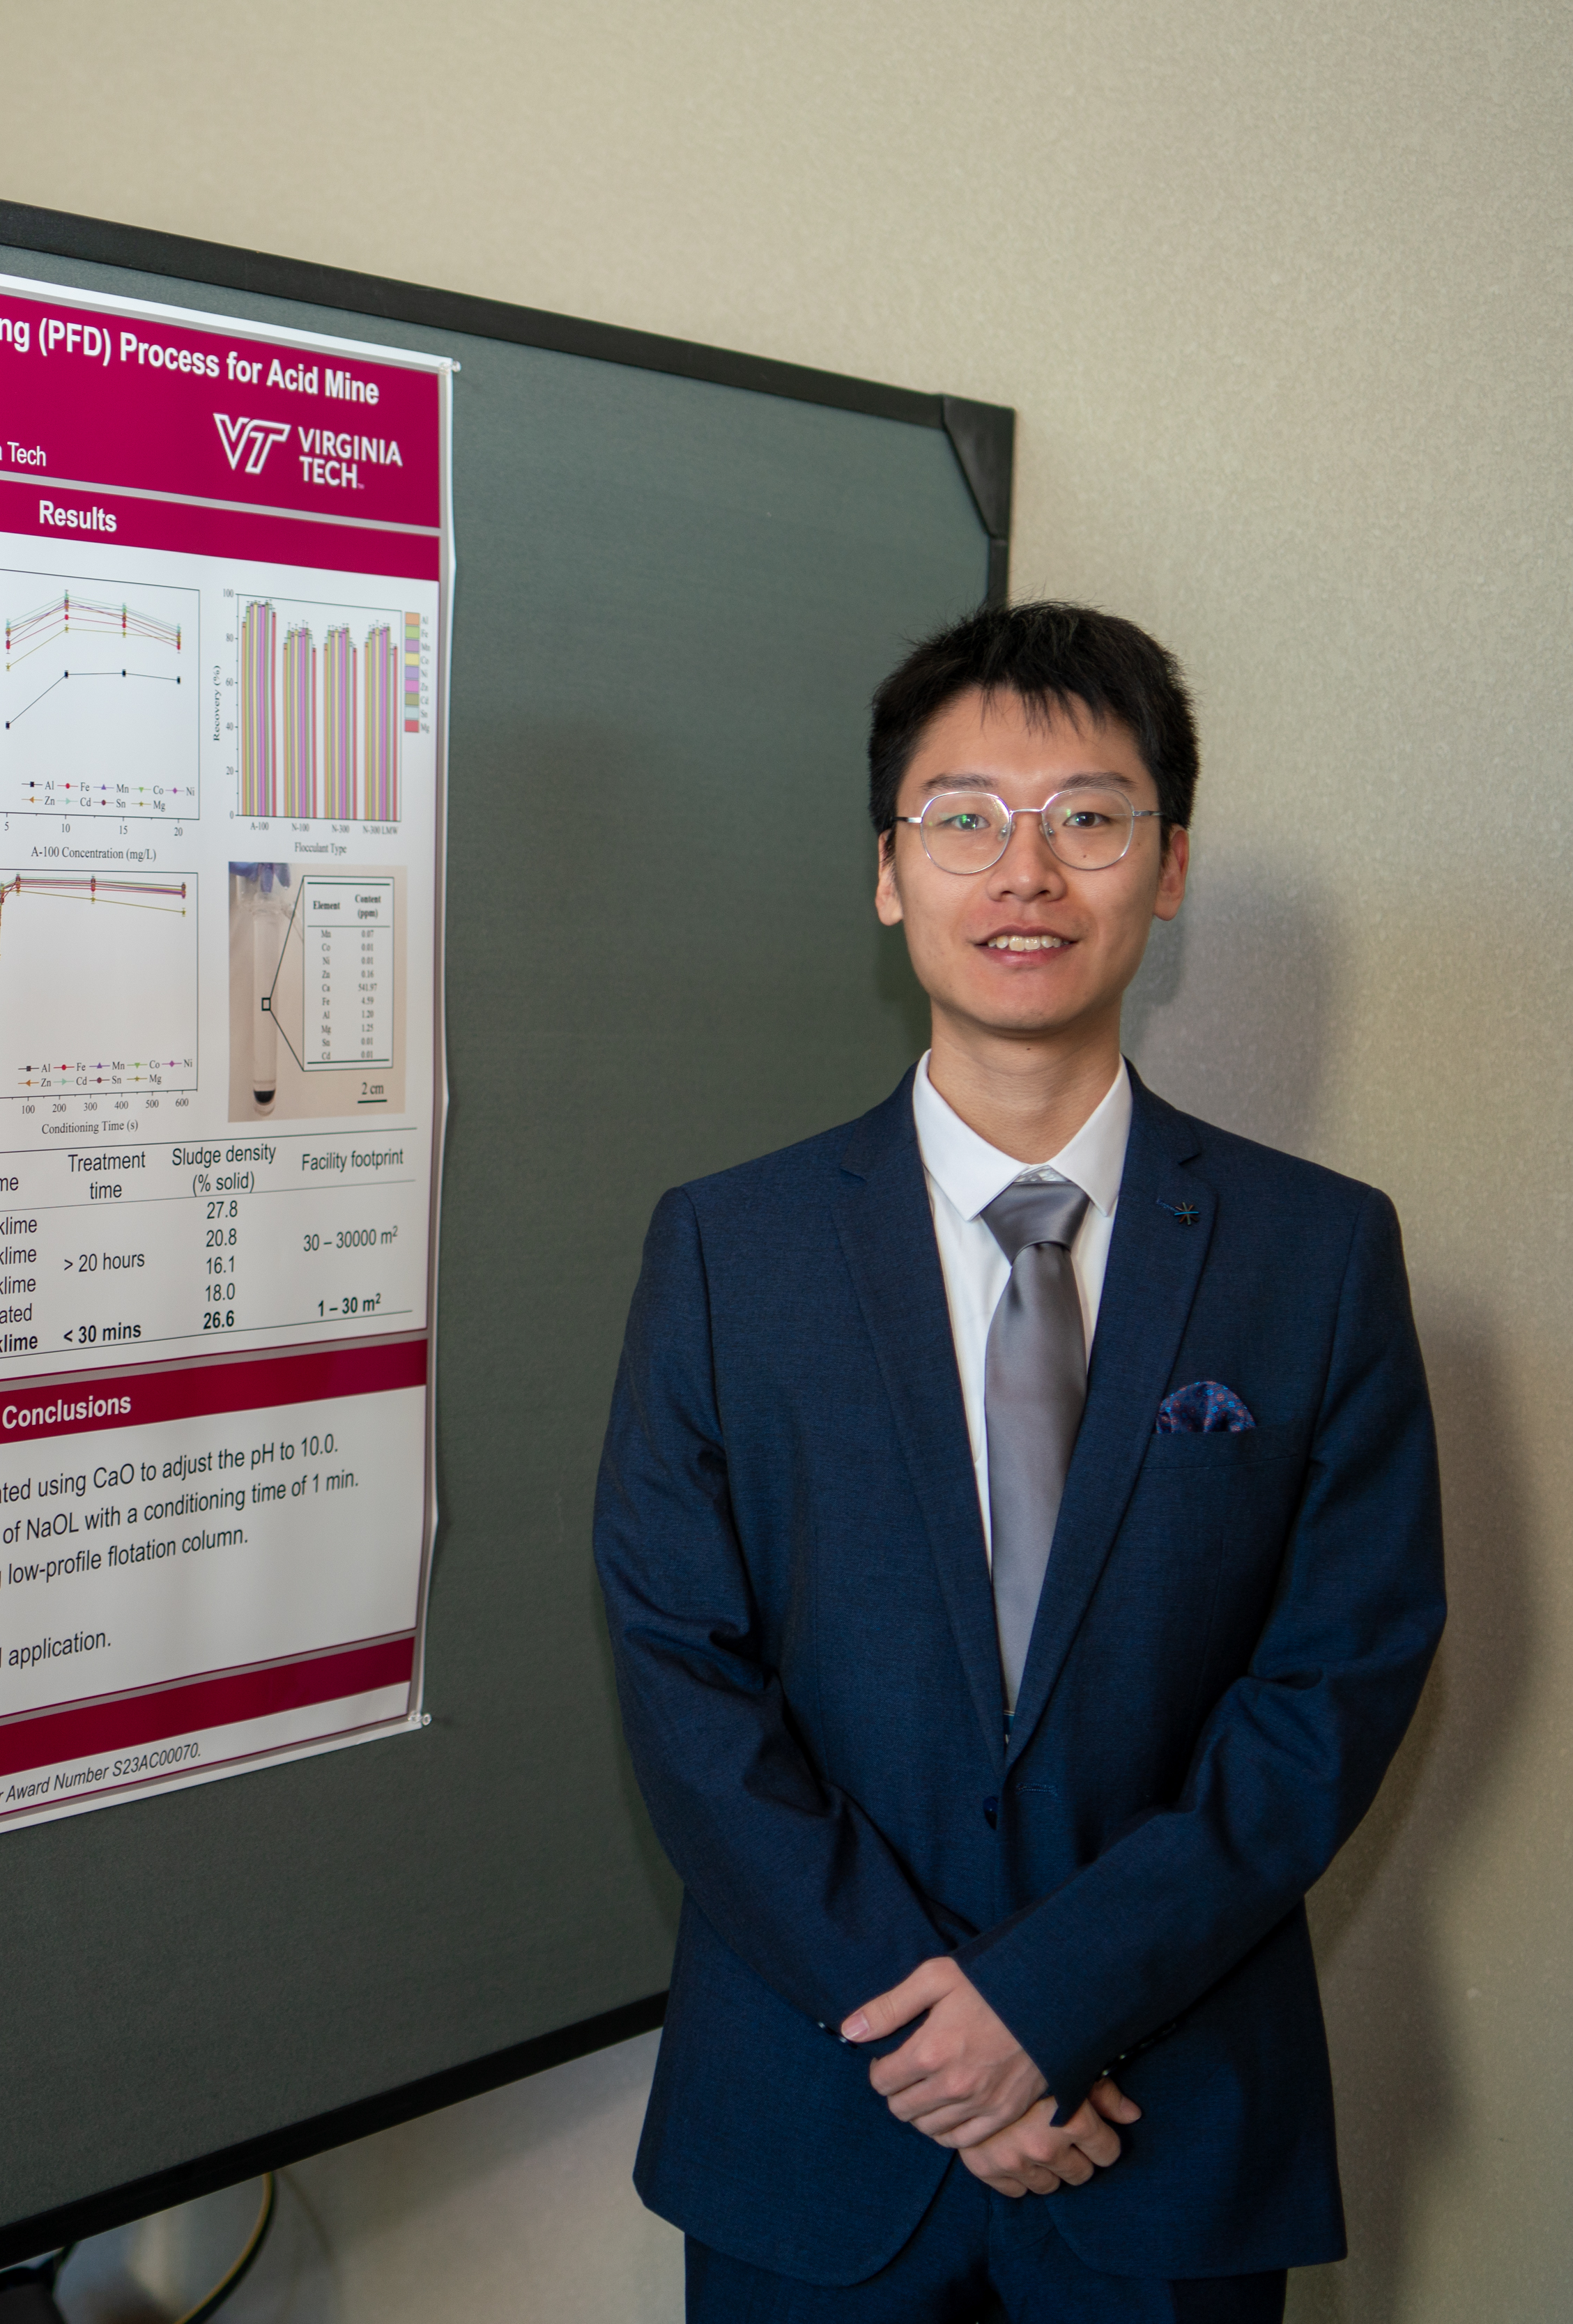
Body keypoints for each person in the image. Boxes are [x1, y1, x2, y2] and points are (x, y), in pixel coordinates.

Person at [592, 603, 1445, 2321]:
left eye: (1089, 818)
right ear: (889, 873)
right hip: (816, 2115)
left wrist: (1051, 2009)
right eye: (965, 817)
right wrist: (941, 2036)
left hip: (1170, 2114)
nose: (1026, 871)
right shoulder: (725, 1249)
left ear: (1170, 866)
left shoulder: (1316, 1254)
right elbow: (683, 1673)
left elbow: (1332, 1682)